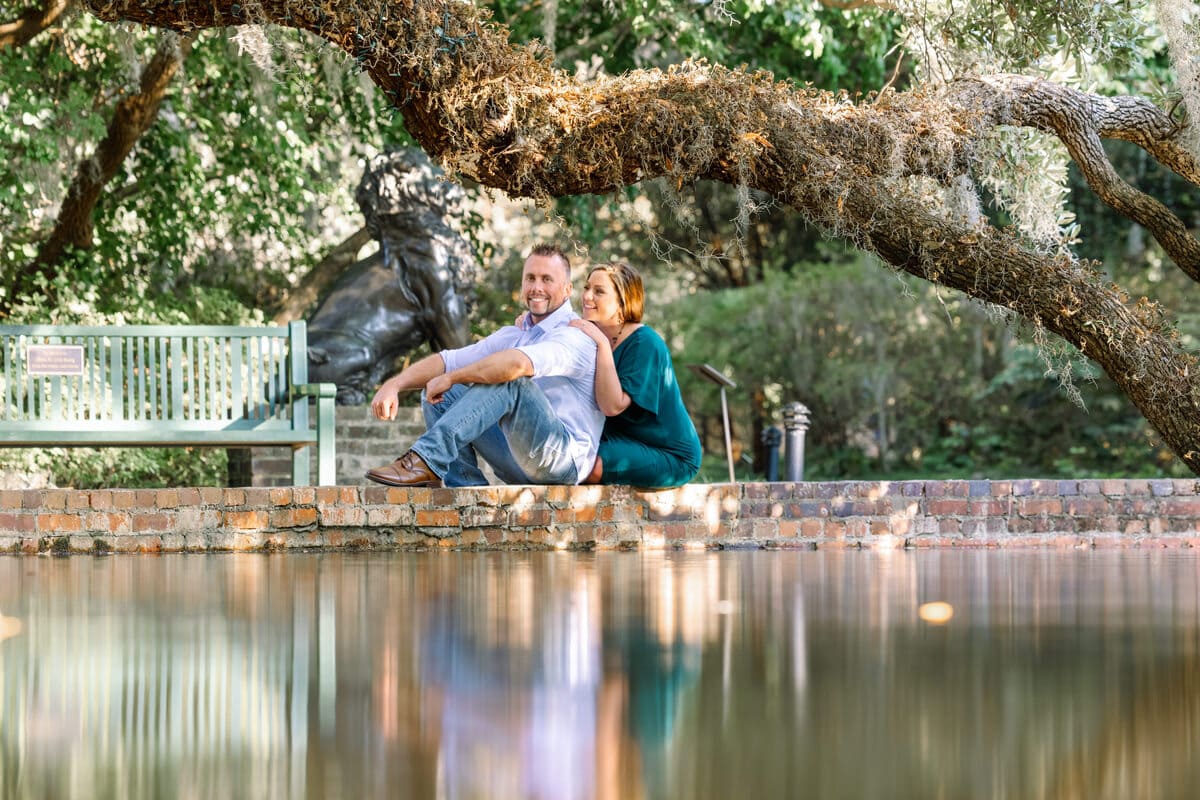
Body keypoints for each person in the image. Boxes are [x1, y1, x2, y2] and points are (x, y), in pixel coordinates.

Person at [365, 244, 604, 487]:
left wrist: (454, 377)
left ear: (567, 289)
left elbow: (517, 365)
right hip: (517, 458)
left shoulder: (575, 334)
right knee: (439, 393)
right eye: (530, 278)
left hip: (562, 463)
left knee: (511, 381)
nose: (536, 287)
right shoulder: (516, 334)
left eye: (547, 279)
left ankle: (425, 459)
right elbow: (448, 361)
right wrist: (394, 384)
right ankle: (464, 493)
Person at [568, 262, 702, 488]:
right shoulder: (593, 333)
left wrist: (601, 344)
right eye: (587, 287)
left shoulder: (644, 343)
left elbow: (612, 406)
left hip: (669, 454)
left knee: (586, 464)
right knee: (563, 451)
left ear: (622, 302)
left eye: (599, 291)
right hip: (620, 440)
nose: (587, 296)